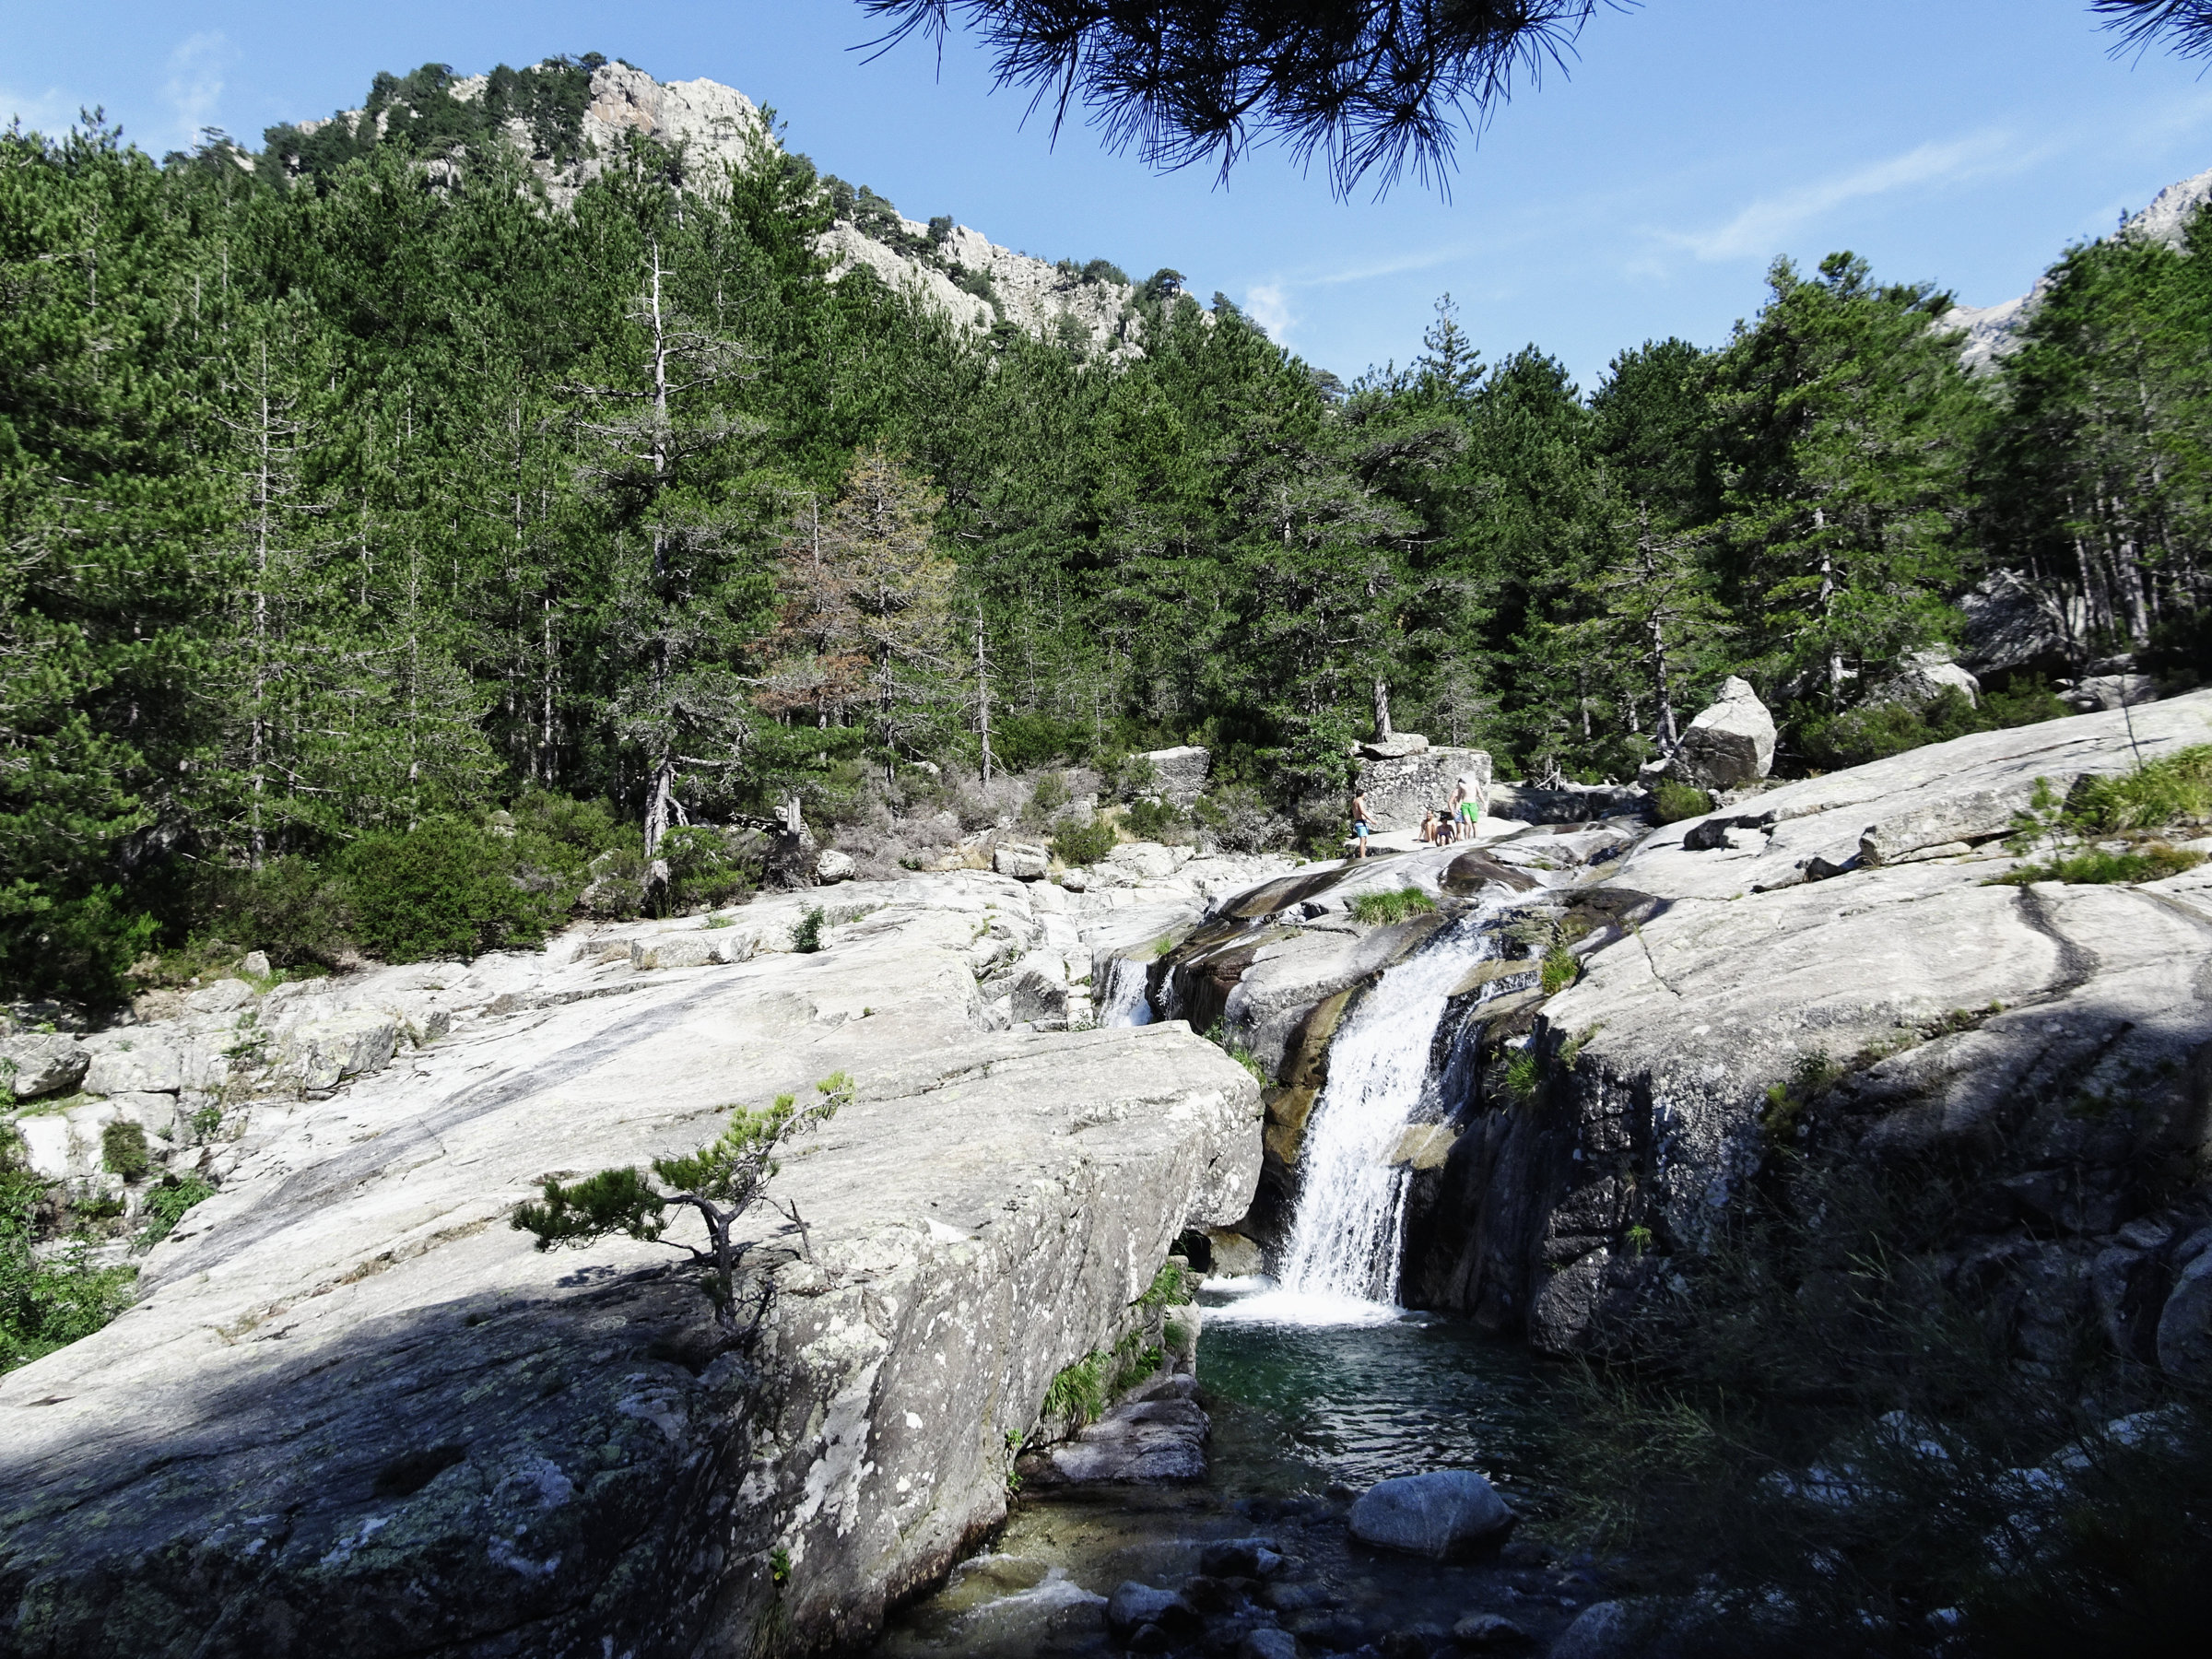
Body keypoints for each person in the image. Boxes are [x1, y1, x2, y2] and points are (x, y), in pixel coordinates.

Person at [1350, 789, 1371, 859]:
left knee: (1365, 840)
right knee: (1363, 840)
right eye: (1365, 793)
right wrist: (1371, 820)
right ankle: (1362, 857)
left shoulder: (1354, 801)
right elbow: (1362, 811)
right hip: (1361, 822)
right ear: (1362, 794)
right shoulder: (1360, 801)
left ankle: (1363, 855)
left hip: (1358, 822)